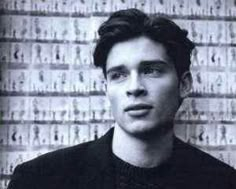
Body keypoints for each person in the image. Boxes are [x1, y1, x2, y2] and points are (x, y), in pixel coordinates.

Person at [8, 9, 236, 189]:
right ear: (106, 88)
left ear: (184, 84)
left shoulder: (223, 181)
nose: (134, 87)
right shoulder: (39, 179)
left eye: (151, 70)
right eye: (118, 75)